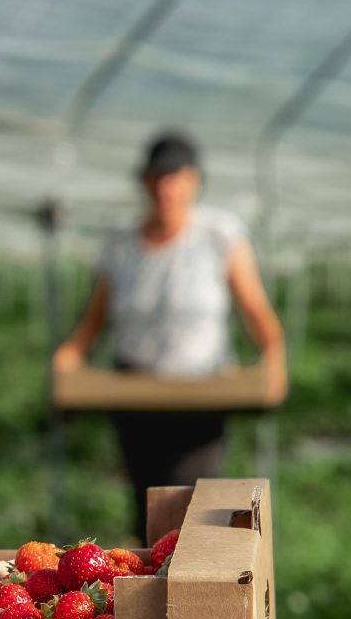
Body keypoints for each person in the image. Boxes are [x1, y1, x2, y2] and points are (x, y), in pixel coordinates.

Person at [53, 132, 287, 538]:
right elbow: (94, 320)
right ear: (144, 183)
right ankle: (150, 588)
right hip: (136, 394)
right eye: (158, 178)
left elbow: (256, 310)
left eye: (175, 177)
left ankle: (191, 589)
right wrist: (68, 361)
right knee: (146, 500)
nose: (166, 188)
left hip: (200, 391)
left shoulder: (218, 236)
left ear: (194, 182)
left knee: (190, 501)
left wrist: (273, 357)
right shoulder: (122, 244)